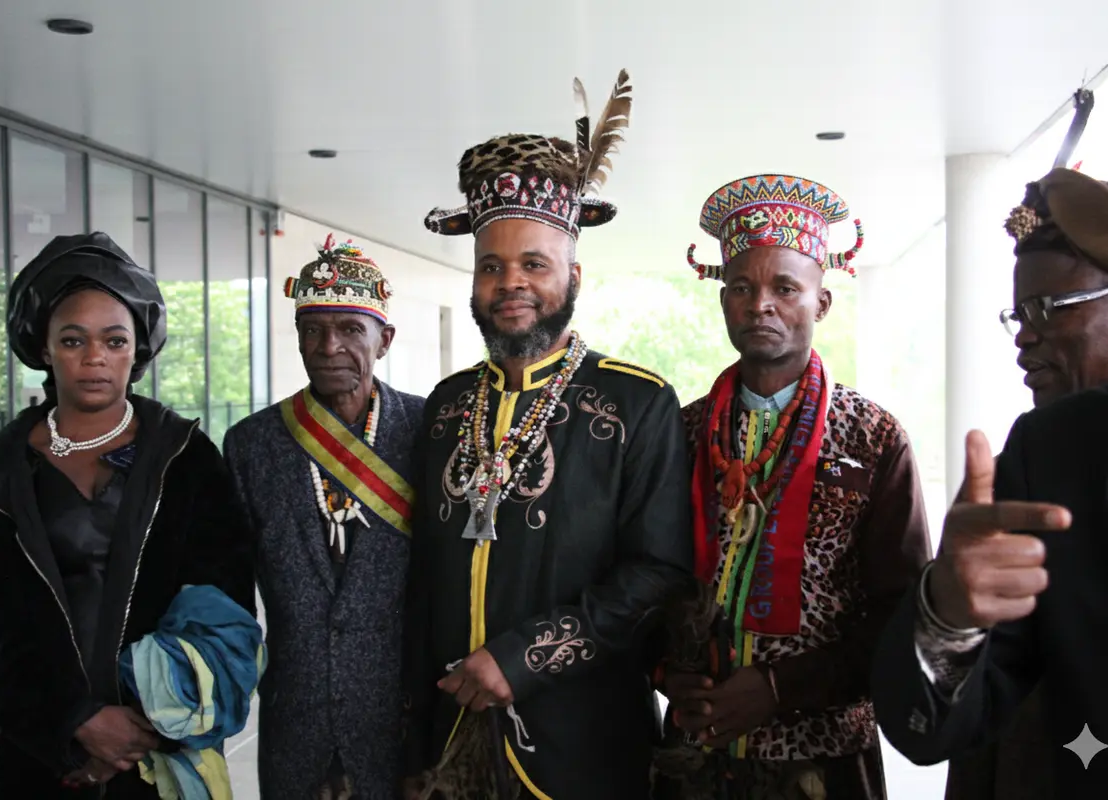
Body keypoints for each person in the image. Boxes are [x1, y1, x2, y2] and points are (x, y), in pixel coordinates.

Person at [402, 69, 694, 800]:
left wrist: (522, 659)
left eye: (534, 264)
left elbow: (657, 572)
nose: (511, 283)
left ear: (573, 274)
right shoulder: (444, 407)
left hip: (582, 748)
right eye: (491, 266)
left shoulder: (638, 403)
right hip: (448, 742)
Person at [0, 232, 257, 799]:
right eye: (72, 340)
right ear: (43, 348)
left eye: (114, 340)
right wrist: (74, 721)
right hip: (36, 752)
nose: (94, 358)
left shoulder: (185, 458)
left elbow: (222, 596)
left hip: (159, 749)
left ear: (138, 349)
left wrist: (138, 728)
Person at [653, 175, 932, 800]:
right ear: (724, 301)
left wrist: (781, 688)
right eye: (742, 288)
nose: (761, 305)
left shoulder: (875, 439)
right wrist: (668, 669)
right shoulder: (681, 431)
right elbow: (648, 572)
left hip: (824, 758)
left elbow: (904, 612)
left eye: (785, 287)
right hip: (693, 753)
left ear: (822, 304)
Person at [874, 167, 1108, 796]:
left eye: (1048, 308)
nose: (1024, 336)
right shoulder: (1047, 458)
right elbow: (933, 728)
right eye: (1018, 313)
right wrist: (947, 615)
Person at [224, 235, 423, 799]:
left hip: (403, 711)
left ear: (384, 340)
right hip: (296, 711)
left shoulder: (428, 429)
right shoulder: (251, 445)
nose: (328, 346)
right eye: (312, 330)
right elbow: (231, 593)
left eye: (350, 329)